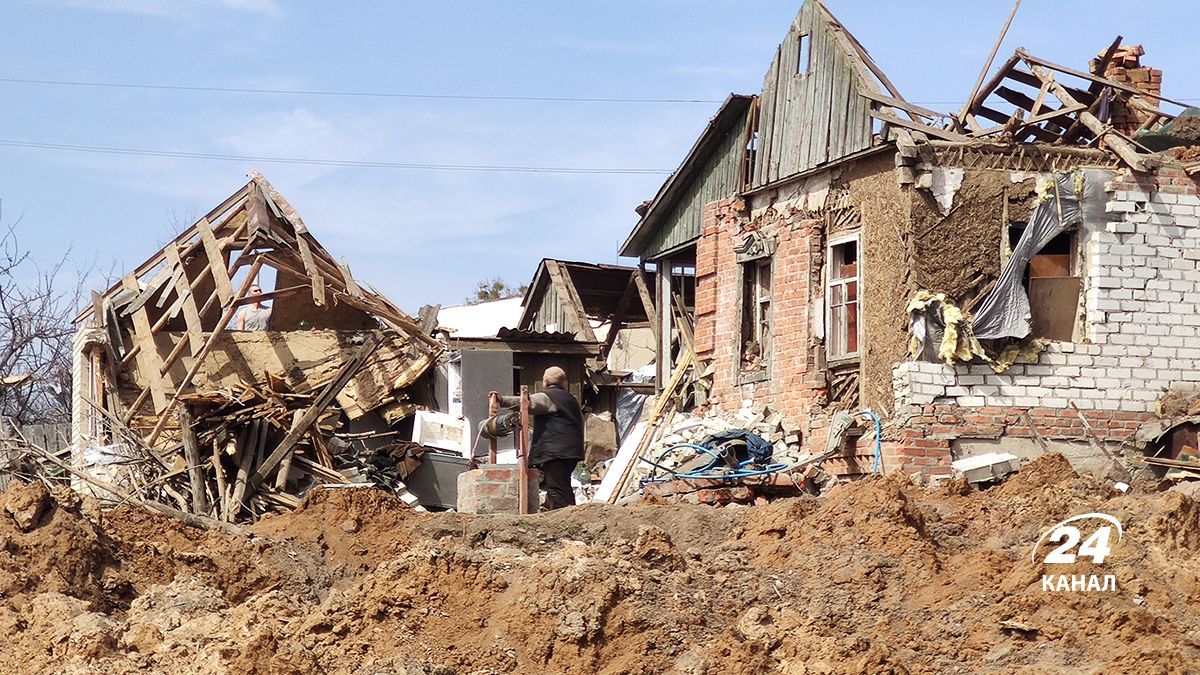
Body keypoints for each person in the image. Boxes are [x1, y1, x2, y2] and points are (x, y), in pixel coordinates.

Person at [498, 366, 584, 510]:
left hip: (555, 452)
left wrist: (502, 400)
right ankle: (558, 514)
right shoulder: (571, 400)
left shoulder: (549, 397)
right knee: (559, 484)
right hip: (572, 452)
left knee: (557, 489)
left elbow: (526, 403)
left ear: (545, 381)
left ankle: (565, 518)